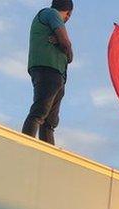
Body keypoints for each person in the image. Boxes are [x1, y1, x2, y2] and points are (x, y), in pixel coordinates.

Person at [23, 0, 74, 144]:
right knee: (39, 113)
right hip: (48, 70)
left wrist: (60, 43)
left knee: (49, 122)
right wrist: (65, 45)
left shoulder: (47, 16)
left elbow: (68, 53)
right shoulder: (51, 14)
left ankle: (46, 157)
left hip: (56, 73)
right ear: (68, 13)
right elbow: (66, 44)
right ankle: (25, 148)